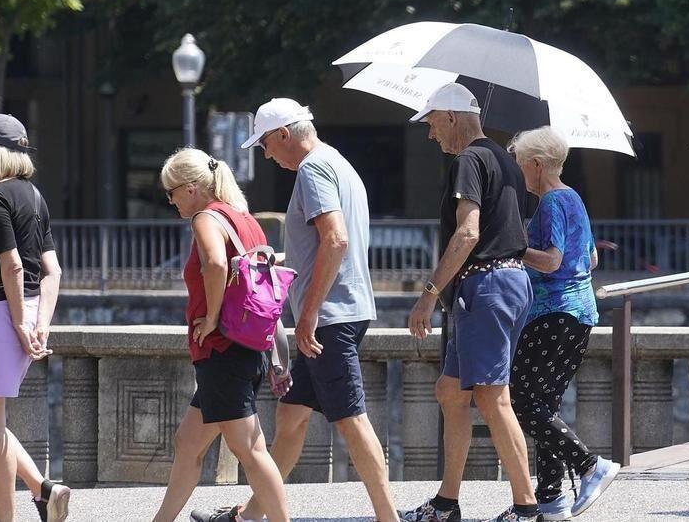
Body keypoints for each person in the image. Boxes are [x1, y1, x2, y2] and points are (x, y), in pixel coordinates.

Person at [212, 99, 397, 522]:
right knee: (291, 415)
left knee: (351, 419)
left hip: (330, 316)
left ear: (283, 135)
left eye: (265, 144)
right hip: (348, 307)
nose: (266, 154)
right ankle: (253, 513)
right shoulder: (339, 163)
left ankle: (389, 518)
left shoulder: (313, 170)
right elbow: (330, 244)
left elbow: (335, 240)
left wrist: (309, 313)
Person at [403, 83, 540, 522]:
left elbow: (468, 233)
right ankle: (447, 502)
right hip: (507, 283)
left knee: (493, 397)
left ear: (450, 116)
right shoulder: (506, 160)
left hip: (485, 285)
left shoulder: (468, 160)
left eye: (430, 123)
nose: (430, 134)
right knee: (451, 391)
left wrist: (427, 296)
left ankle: (527, 507)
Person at [151, 148, 290, 522]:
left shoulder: (206, 218)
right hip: (245, 349)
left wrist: (210, 317)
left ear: (193, 188)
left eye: (173, 190)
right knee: (189, 443)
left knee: (251, 449)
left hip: (222, 350)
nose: (170, 198)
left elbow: (214, 263)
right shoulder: (245, 219)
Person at [0, 114, 70, 522]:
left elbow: (14, 267)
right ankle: (44, 490)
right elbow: (52, 270)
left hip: (0, 313)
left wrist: (22, 323)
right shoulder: (35, 197)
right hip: (22, 310)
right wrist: (41, 322)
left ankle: (6, 518)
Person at [507, 126, 620, 521]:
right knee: (545, 403)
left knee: (521, 401)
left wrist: (515, 246)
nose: (519, 173)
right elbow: (589, 260)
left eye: (521, 165)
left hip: (553, 314)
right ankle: (551, 498)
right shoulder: (574, 198)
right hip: (581, 313)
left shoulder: (552, 202)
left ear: (536, 165)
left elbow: (553, 260)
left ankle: (591, 466)